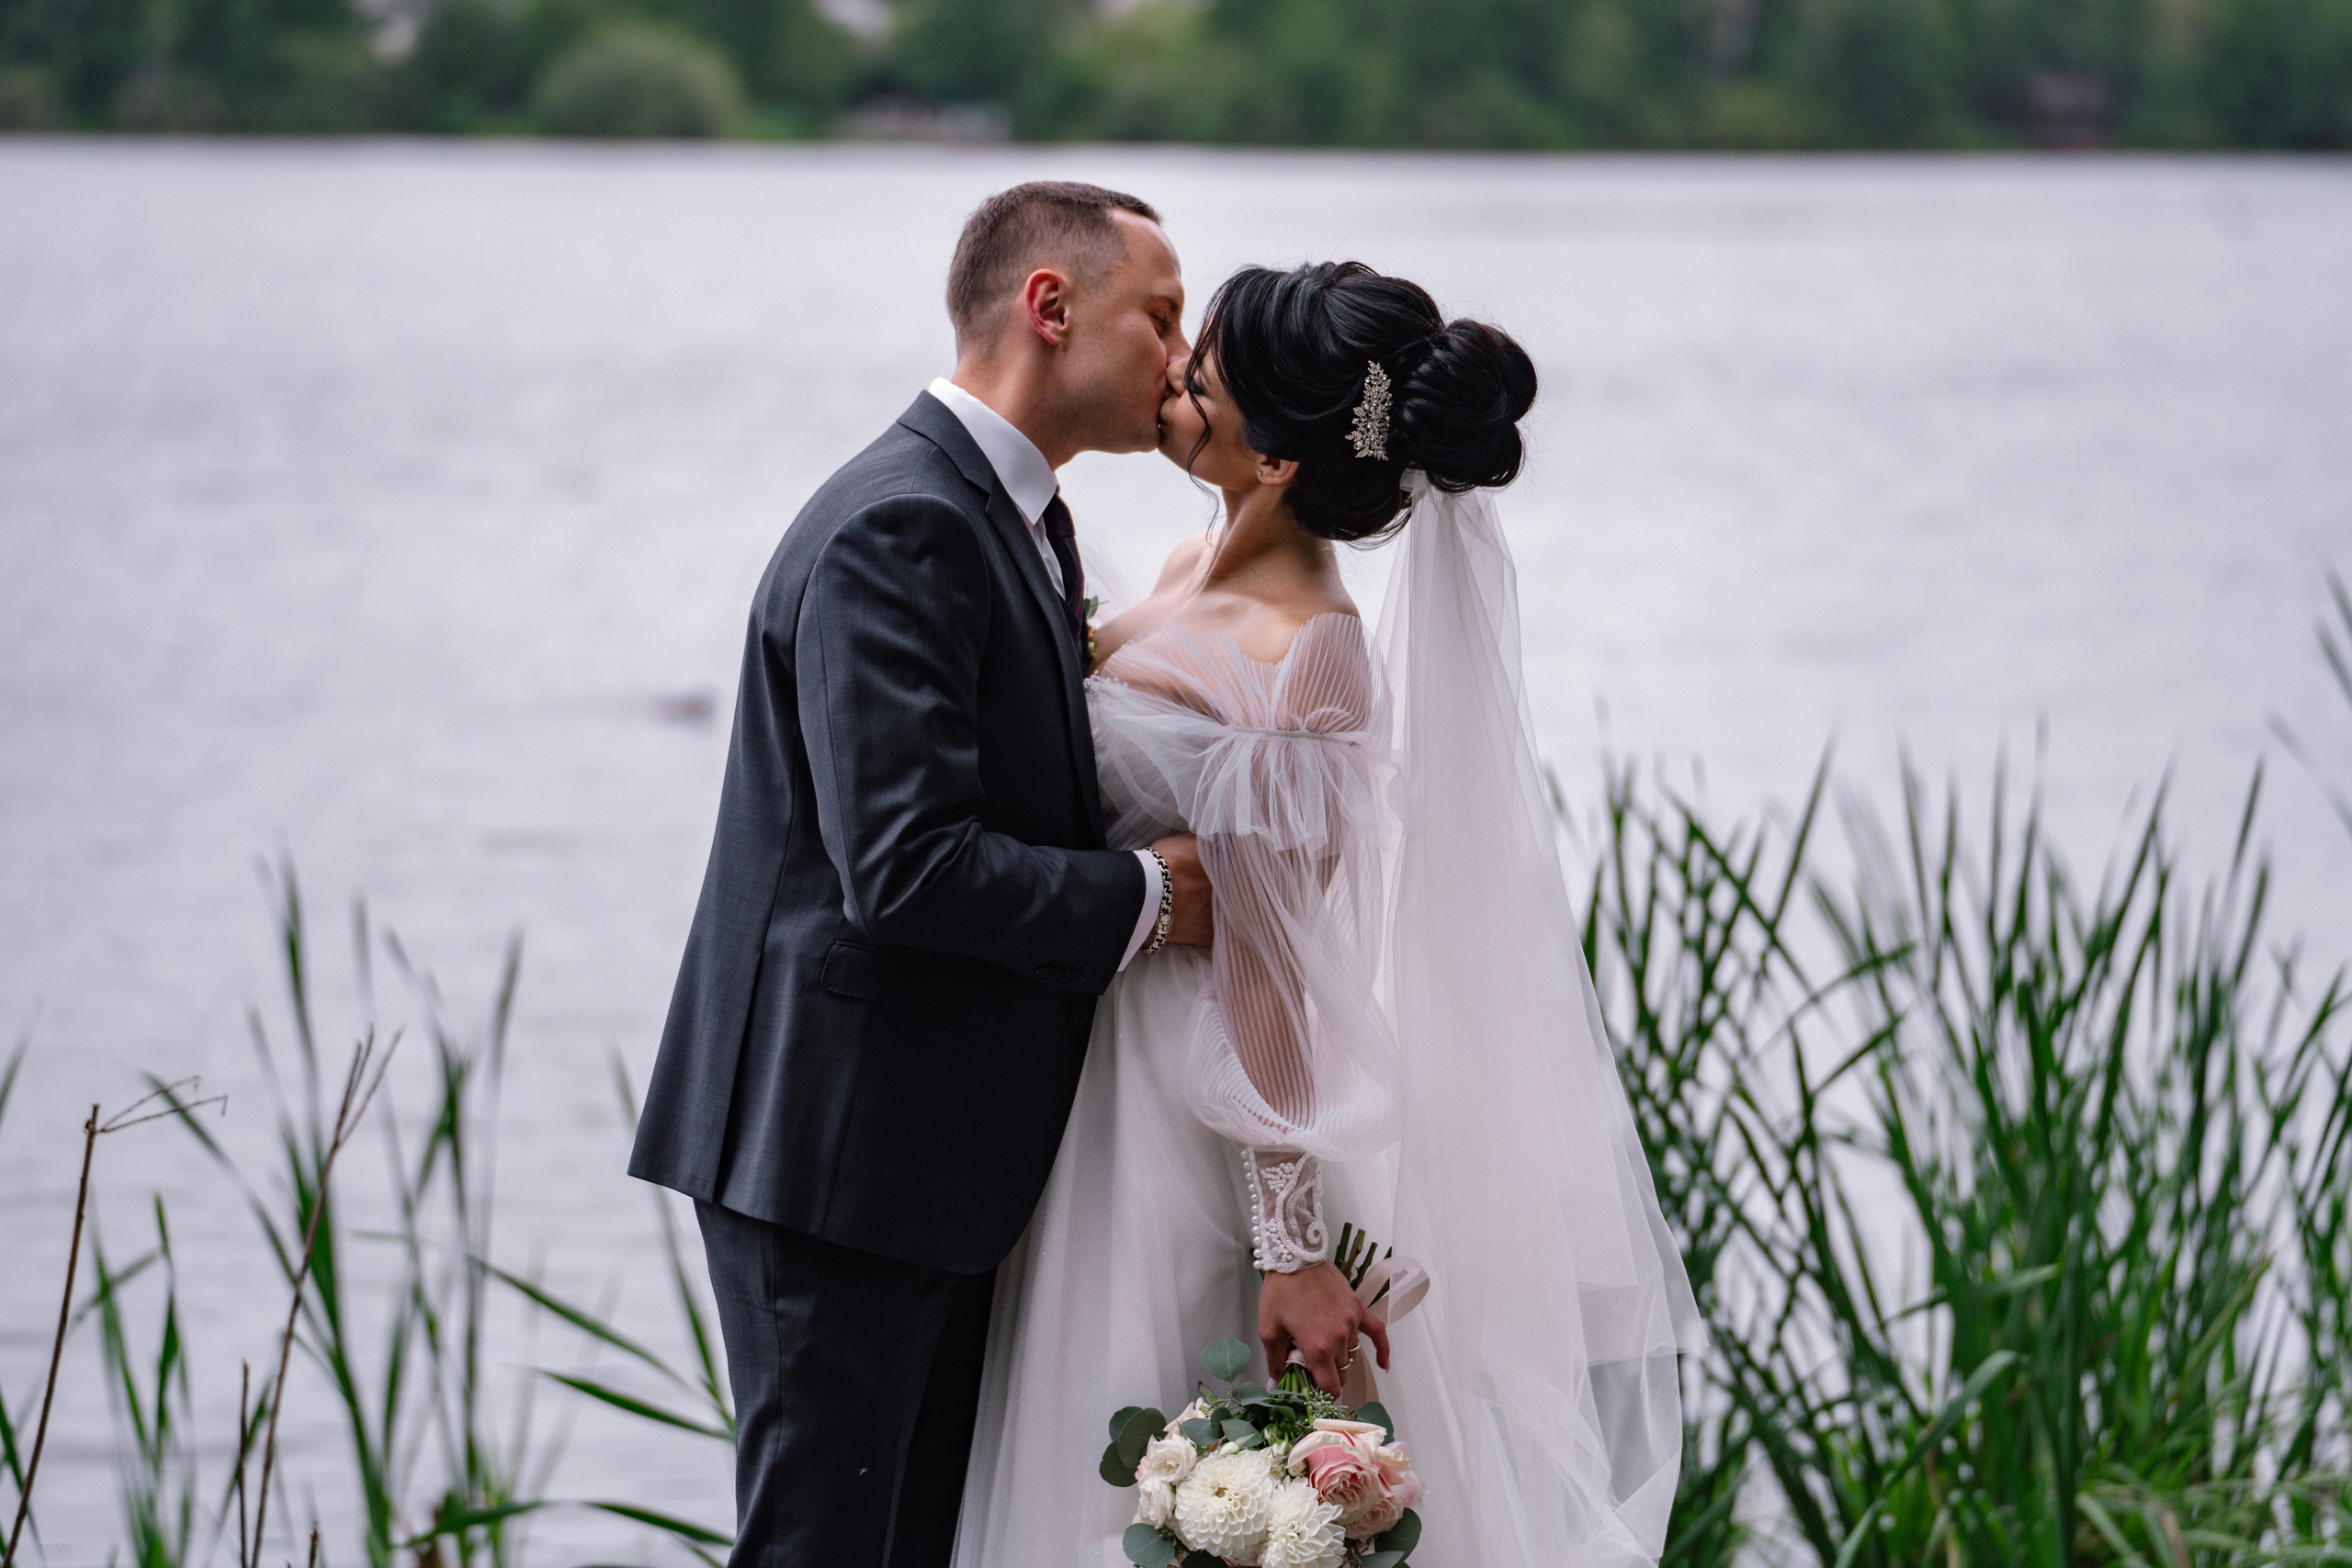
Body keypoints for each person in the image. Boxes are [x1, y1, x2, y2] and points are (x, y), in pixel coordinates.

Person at [951, 262, 1705, 1567]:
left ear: (1278, 457)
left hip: (1189, 1109)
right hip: (1089, 1060)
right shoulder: (1186, 559)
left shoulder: (1309, 658)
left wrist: (1290, 1246)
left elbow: (1273, 969)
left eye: (1203, 376)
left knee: (1140, 1435)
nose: (1173, 379)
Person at [628, 181, 1217, 1568]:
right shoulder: (906, 523)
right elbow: (907, 868)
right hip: (840, 1155)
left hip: (924, 1153)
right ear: (1050, 306)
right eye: (1161, 316)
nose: (1182, 358)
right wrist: (1153, 897)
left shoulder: (1012, 516)